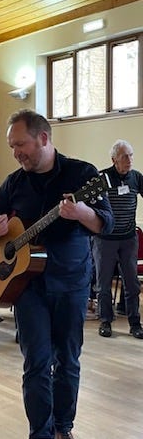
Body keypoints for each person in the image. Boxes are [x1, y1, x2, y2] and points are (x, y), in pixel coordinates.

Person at [0, 109, 113, 439]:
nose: (16, 152)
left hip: (70, 280)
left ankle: (63, 428)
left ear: (43, 138)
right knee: (36, 363)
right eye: (12, 146)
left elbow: (107, 223)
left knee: (68, 360)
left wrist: (82, 211)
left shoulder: (82, 175)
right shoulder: (14, 183)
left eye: (19, 144)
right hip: (27, 287)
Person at [93, 140, 143, 339]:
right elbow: (91, 205)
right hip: (105, 239)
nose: (129, 160)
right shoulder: (102, 177)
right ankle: (105, 321)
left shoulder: (136, 177)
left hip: (129, 239)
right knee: (103, 283)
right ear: (114, 160)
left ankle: (135, 323)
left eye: (131, 155)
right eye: (124, 156)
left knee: (132, 283)